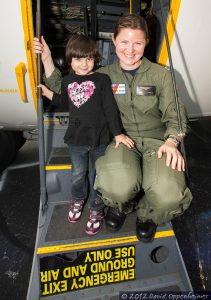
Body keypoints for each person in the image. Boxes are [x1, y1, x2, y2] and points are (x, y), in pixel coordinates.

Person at [34, 15, 192, 243]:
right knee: (115, 184)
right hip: (120, 141)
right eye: (124, 42)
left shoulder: (162, 75)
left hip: (158, 142)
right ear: (115, 41)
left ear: (146, 42)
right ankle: (121, 206)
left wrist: (172, 141)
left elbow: (175, 114)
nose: (130, 50)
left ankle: (147, 214)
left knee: (169, 195)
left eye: (137, 43)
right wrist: (47, 59)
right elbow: (65, 88)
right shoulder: (103, 76)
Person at [36, 34, 134, 236]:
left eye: (89, 58)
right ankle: (78, 199)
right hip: (77, 140)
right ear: (70, 60)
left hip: (100, 139)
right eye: (79, 59)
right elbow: (64, 102)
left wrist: (117, 134)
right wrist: (48, 93)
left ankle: (96, 207)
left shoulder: (102, 79)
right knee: (78, 174)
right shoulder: (67, 81)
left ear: (95, 59)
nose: (84, 64)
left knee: (98, 175)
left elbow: (110, 109)